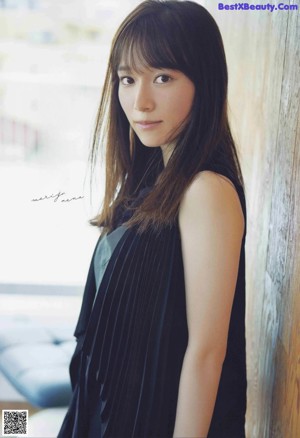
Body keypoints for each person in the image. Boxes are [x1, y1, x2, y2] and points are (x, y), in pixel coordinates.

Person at [57, 0, 247, 437]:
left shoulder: (205, 191)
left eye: (163, 77)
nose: (140, 100)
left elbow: (206, 354)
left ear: (204, 81)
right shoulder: (151, 183)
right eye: (127, 79)